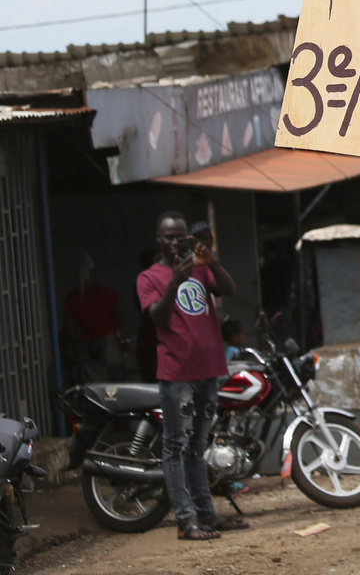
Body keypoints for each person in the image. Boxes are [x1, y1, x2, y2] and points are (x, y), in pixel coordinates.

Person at [137, 211, 247, 541]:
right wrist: (174, 280)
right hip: (177, 373)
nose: (175, 242)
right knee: (175, 447)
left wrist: (209, 261)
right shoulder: (149, 277)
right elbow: (157, 317)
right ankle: (185, 521)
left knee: (198, 447)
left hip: (209, 369)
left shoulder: (200, 269)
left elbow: (228, 287)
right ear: (158, 238)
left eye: (180, 236)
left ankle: (207, 515)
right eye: (169, 236)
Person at [64, 249, 126, 382]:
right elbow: (119, 320)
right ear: (92, 273)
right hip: (110, 345)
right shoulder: (106, 293)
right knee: (116, 389)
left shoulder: (71, 299)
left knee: (96, 390)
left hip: (88, 348)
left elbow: (72, 333)